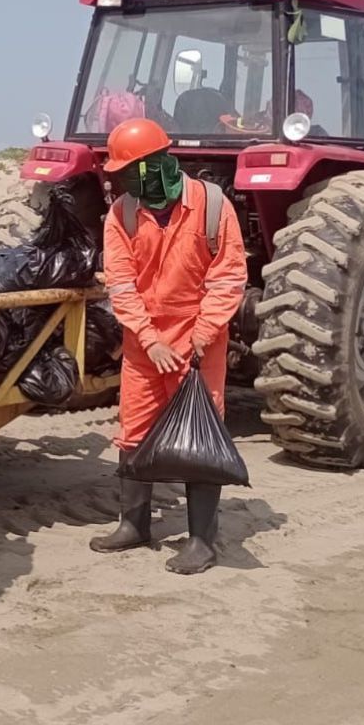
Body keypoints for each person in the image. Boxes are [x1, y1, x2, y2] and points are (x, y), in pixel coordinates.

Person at [91, 118, 247, 574]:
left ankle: (202, 541)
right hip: (145, 342)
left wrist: (200, 336)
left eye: (130, 170)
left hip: (200, 340)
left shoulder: (213, 208)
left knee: (200, 434)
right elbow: (121, 284)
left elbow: (228, 278)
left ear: (158, 164)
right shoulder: (121, 214)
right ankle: (134, 524)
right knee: (134, 430)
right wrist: (148, 338)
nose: (124, 181)